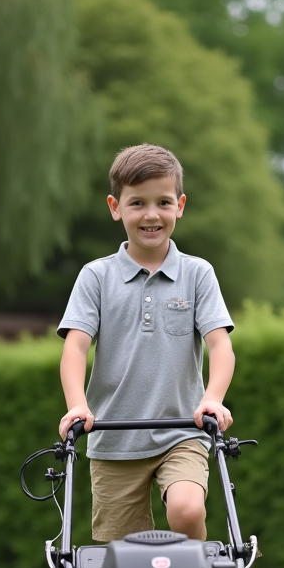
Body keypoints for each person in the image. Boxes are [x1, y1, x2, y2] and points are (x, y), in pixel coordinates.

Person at [57, 143, 235, 543]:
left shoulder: (197, 274)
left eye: (163, 202)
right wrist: (77, 405)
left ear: (180, 205)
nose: (151, 214)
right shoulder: (96, 277)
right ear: (115, 207)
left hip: (181, 432)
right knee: (119, 554)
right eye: (137, 202)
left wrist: (214, 397)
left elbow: (220, 345)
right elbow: (75, 347)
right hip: (113, 439)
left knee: (187, 509)